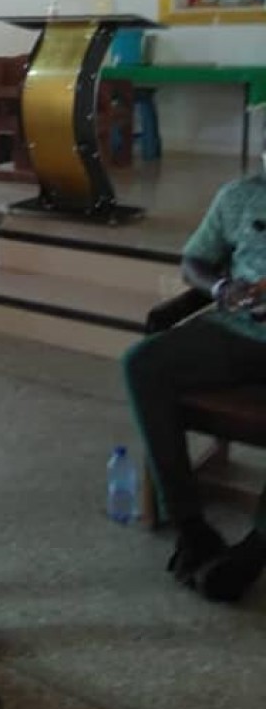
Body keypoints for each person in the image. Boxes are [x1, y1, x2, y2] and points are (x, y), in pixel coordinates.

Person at [123, 168, 266, 602]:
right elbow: (194, 263)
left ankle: (255, 551)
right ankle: (191, 527)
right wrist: (222, 288)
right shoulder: (239, 195)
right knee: (144, 364)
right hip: (237, 330)